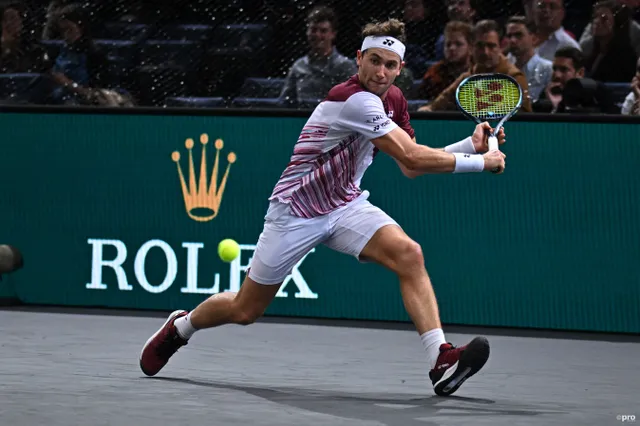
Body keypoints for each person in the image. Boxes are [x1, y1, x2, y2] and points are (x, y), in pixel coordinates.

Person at [139, 18, 507, 397]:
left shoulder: (393, 100)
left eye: (390, 65)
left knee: (408, 253)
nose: (381, 72)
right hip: (295, 211)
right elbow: (413, 159)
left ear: (400, 68)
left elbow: (407, 167)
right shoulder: (354, 100)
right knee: (245, 310)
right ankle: (181, 328)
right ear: (359, 58)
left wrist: (469, 145)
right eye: (374, 61)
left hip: (345, 204)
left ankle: (441, 358)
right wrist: (483, 163)